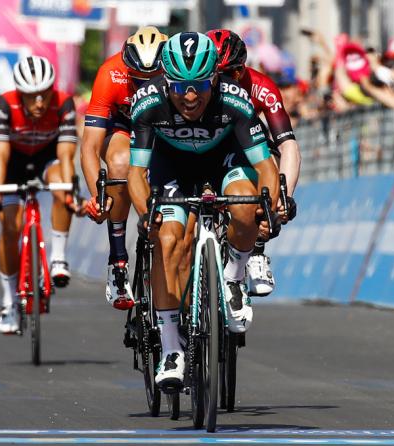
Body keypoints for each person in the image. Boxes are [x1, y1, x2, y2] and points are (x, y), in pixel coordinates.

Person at [127, 32, 280, 387]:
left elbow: (266, 167)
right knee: (168, 240)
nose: (190, 96)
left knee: (245, 206)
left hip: (223, 161)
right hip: (171, 167)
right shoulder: (147, 103)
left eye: (199, 85)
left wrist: (267, 205)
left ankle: (232, 277)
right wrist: (145, 213)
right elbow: (136, 173)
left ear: (215, 79)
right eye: (179, 87)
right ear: (166, 81)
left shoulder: (236, 101)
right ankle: (170, 350)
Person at [0, 55, 81, 334]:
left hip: (47, 160)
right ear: (20, 93)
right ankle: (9, 300)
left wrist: (71, 187)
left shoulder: (64, 103)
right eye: (31, 96)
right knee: (11, 227)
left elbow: (66, 154)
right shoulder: (4, 104)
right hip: (13, 165)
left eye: (44, 94)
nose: (39, 102)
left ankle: (58, 258)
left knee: (63, 185)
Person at [206, 29, 300, 297]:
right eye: (218, 74)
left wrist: (285, 197)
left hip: (243, 141)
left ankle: (256, 248)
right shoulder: (198, 89)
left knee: (267, 163)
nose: (226, 81)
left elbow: (288, 145)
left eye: (232, 73)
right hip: (203, 142)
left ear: (243, 69)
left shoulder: (261, 86)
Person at [80, 26, 168, 310]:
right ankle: (118, 260)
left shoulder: (177, 72)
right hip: (124, 127)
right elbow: (90, 147)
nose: (144, 86)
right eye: (138, 79)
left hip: (164, 127)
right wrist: (98, 196)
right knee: (120, 163)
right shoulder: (110, 73)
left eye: (151, 78)